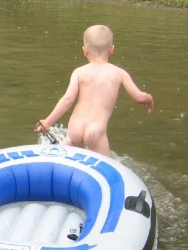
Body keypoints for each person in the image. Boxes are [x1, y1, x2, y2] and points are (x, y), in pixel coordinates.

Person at [35, 24, 154, 157]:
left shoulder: (79, 72)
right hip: (95, 132)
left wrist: (48, 122)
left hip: (75, 128)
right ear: (112, 49)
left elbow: (67, 100)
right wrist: (148, 98)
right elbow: (139, 97)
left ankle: (55, 154)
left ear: (85, 50)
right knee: (107, 166)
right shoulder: (119, 73)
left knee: (72, 148)